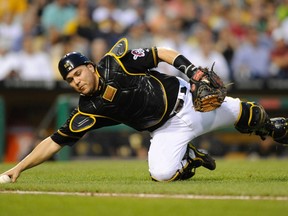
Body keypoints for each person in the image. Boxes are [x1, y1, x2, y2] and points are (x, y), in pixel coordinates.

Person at [2, 38, 288, 182]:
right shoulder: (89, 109)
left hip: (190, 101)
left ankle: (269, 127)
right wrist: (18, 169)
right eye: (69, 80)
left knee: (254, 118)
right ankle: (191, 158)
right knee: (162, 174)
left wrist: (191, 71)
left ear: (90, 67)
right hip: (165, 129)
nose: (75, 81)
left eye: (77, 73)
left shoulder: (117, 62)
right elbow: (55, 141)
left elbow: (160, 53)